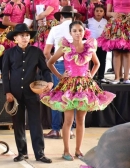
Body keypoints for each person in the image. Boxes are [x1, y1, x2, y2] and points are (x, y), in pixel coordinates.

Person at [40, 21, 116, 161]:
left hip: (84, 86)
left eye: (80, 30)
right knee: (68, 120)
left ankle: (78, 150)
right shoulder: (65, 47)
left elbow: (97, 64)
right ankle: (66, 151)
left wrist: (90, 76)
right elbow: (50, 62)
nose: (77, 33)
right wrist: (59, 76)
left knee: (81, 119)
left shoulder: (89, 46)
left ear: (84, 31)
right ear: (70, 33)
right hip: (69, 86)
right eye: (74, 30)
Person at [2, 23, 53, 163]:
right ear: (15, 38)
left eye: (27, 35)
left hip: (32, 93)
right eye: (22, 35)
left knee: (36, 123)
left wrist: (49, 82)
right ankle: (22, 153)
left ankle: (40, 153)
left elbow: (45, 69)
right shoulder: (9, 53)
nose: (25, 38)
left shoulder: (36, 52)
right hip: (15, 94)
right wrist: (7, 92)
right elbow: (5, 74)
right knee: (18, 124)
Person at [43, 6, 81, 139]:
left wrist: (51, 63)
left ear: (61, 17)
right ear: (74, 17)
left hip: (59, 64)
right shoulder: (81, 29)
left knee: (57, 96)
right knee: (73, 96)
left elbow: (46, 51)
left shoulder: (55, 29)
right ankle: (70, 129)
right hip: (76, 65)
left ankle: (55, 129)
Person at [97, 0, 130, 84]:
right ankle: (117, 78)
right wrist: (113, 14)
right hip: (116, 23)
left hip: (128, 23)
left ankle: (126, 78)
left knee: (127, 52)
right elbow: (107, 13)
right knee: (116, 52)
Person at [87, 5, 107, 82]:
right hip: (92, 44)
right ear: (94, 12)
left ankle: (101, 76)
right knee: (92, 60)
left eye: (101, 11)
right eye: (97, 11)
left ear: (104, 13)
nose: (99, 13)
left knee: (102, 59)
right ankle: (93, 75)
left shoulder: (105, 21)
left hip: (102, 44)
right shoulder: (89, 21)